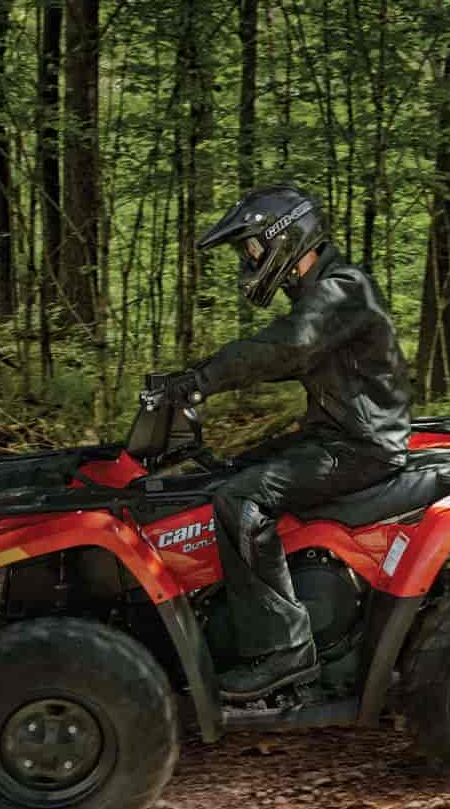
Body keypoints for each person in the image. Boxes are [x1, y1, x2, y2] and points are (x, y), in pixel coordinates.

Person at [147, 183, 412, 701]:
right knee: (224, 472)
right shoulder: (325, 296)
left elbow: (287, 346)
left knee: (241, 498)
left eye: (252, 247)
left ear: (284, 238)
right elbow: (280, 352)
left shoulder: (344, 288)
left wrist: (201, 380)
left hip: (362, 447)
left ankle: (284, 648)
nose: (249, 260)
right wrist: (195, 379)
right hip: (337, 436)